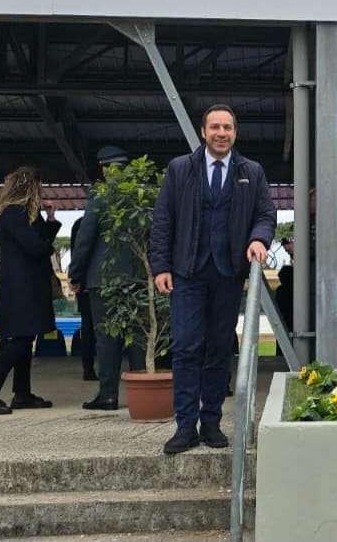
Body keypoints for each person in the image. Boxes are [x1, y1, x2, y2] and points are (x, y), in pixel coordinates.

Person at [149, 104, 276, 455]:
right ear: (203, 132)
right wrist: (161, 266)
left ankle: (211, 423)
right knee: (186, 347)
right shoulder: (180, 169)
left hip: (227, 274)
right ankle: (185, 426)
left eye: (227, 128)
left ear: (235, 133)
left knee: (220, 349)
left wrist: (258, 239)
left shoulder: (251, 171)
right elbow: (163, 220)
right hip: (187, 273)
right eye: (215, 127)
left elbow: (266, 214)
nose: (221, 133)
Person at [0, 166, 61, 415]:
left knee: (25, 338)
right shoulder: (15, 213)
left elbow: (40, 238)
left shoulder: (21, 213)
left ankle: (22, 393)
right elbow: (36, 246)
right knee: (20, 340)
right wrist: (48, 248)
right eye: (38, 186)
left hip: (25, 286)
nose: (41, 191)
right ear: (30, 187)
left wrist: (50, 219)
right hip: (23, 288)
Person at [68, 145, 145, 411]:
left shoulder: (99, 197)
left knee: (107, 338)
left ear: (104, 168)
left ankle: (108, 395)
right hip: (136, 279)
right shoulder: (139, 198)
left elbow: (85, 239)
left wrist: (75, 274)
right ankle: (141, 391)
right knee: (137, 336)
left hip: (103, 280)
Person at [68, 217, 98, 382]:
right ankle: (91, 369)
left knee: (88, 328)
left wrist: (76, 277)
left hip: (85, 284)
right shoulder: (101, 221)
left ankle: (88, 369)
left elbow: (76, 252)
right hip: (94, 283)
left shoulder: (80, 223)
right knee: (91, 329)